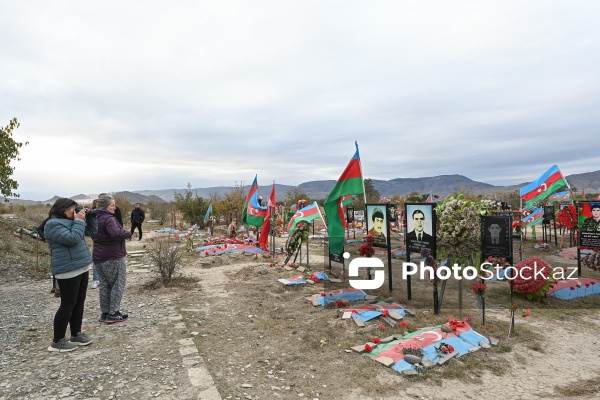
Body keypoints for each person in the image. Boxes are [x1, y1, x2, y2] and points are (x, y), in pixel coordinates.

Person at [43, 198, 98, 352]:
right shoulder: (52, 224)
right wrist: (79, 221)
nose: (74, 212)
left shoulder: (73, 221)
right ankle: (57, 341)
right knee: (67, 304)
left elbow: (92, 232)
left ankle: (76, 334)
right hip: (67, 270)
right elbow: (72, 239)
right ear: (62, 209)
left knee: (79, 302)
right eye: (72, 209)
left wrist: (91, 218)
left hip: (81, 266)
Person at [92, 195, 133, 323]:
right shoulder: (108, 218)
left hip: (99, 256)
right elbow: (115, 233)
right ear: (105, 206)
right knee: (118, 283)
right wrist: (128, 234)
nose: (115, 208)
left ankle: (105, 312)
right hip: (113, 256)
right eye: (112, 205)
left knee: (105, 284)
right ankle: (113, 312)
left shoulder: (95, 218)